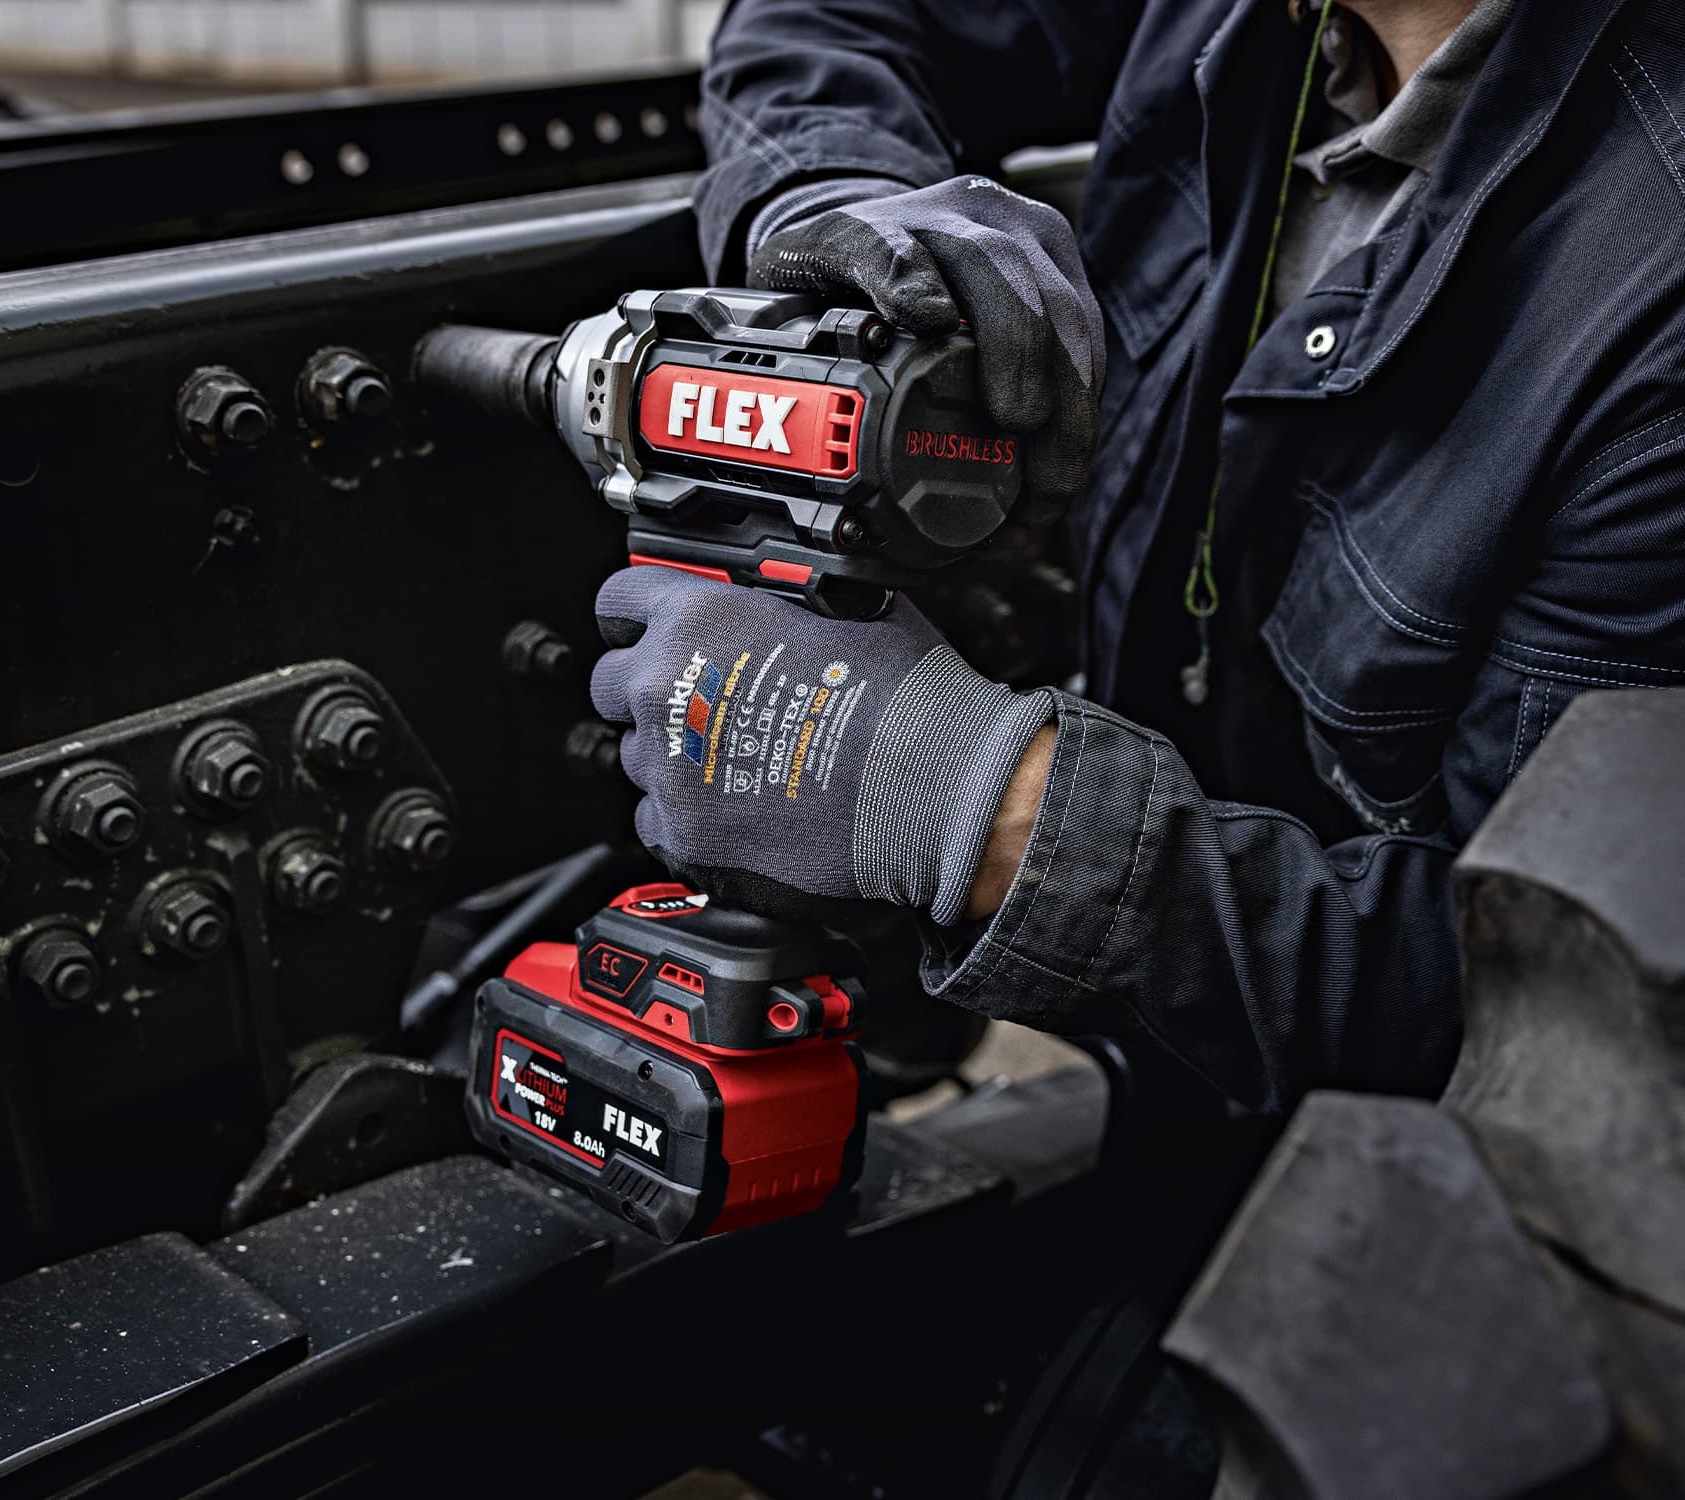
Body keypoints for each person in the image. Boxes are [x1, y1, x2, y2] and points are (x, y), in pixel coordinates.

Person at [587, 0, 1685, 1111]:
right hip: (1155, 1079)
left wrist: (988, 812)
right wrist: (833, 197)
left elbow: (1562, 1014)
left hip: (1387, 1208)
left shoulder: (1653, 293)